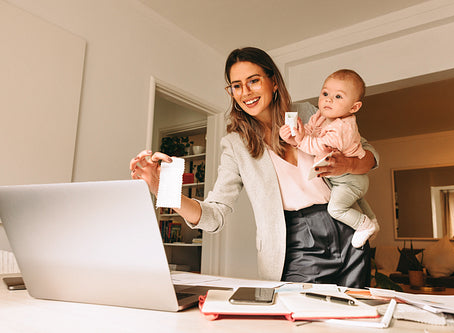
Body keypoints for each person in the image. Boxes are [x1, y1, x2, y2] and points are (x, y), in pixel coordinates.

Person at [130, 47, 379, 288]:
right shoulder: (235, 145)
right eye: (236, 86)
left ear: (273, 81)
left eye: (253, 81)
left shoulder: (308, 112)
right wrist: (165, 189)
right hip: (296, 240)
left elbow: (371, 157)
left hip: (348, 225)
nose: (245, 92)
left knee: (355, 314)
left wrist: (348, 164)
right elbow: (214, 215)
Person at [279, 69, 379, 249]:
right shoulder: (320, 116)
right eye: (325, 93)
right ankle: (372, 219)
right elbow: (309, 132)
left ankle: (364, 225)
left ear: (354, 107)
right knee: (356, 200)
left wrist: (300, 140)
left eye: (338, 96)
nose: (328, 99)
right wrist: (294, 137)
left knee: (336, 209)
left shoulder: (343, 127)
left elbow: (320, 147)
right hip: (340, 179)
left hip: (350, 179)